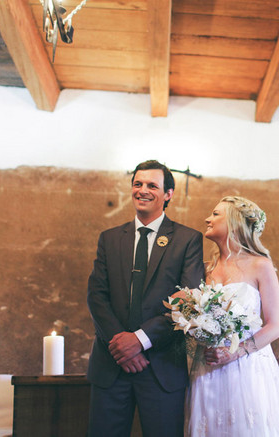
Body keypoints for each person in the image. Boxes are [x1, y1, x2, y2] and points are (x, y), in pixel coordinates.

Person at [86, 160, 205, 437]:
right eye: (137, 184)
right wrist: (121, 345)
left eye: (152, 185)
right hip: (111, 365)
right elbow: (97, 296)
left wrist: (140, 340)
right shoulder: (110, 238)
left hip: (160, 365)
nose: (143, 190)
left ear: (168, 194)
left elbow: (189, 301)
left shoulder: (187, 240)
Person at [184, 195, 279, 436]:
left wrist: (236, 351)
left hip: (247, 366)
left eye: (215, 214)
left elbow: (274, 327)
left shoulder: (260, 265)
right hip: (208, 366)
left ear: (233, 223)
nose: (207, 219)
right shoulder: (204, 268)